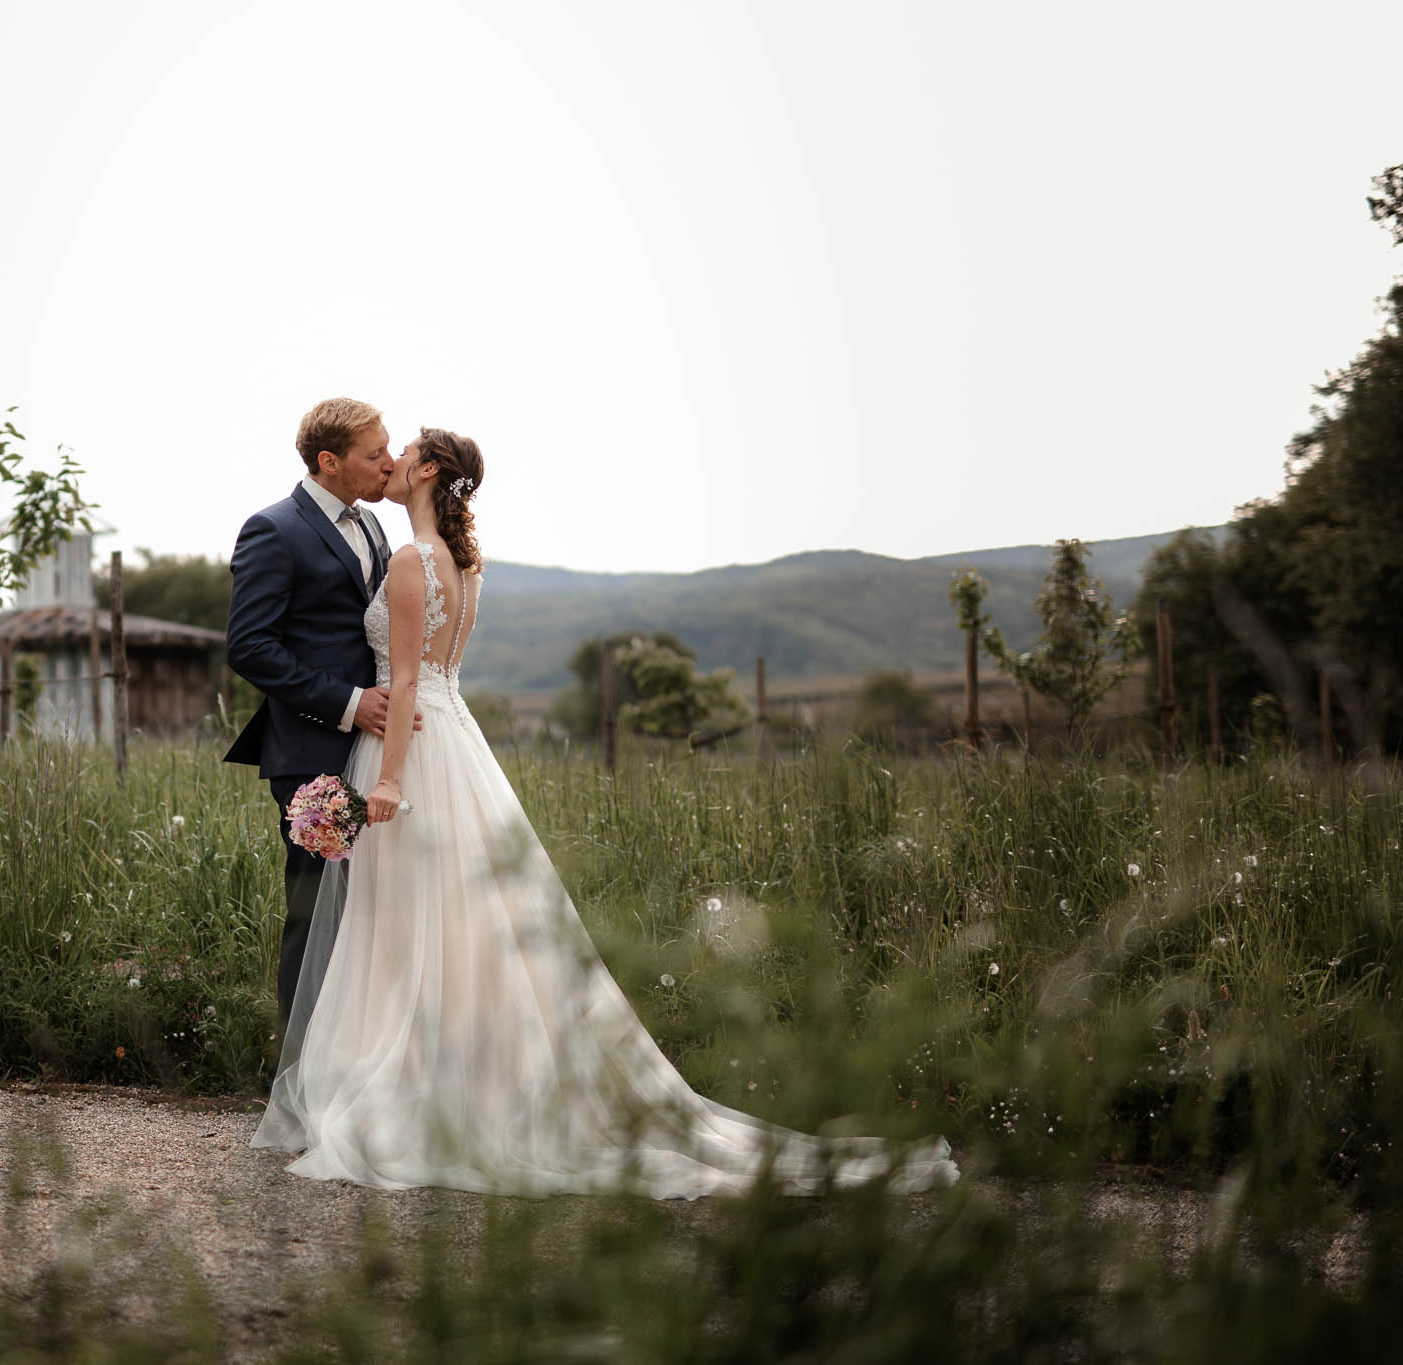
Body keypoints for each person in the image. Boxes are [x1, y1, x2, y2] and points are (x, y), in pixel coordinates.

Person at [251, 428, 959, 1198]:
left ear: (425, 470)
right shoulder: (461, 563)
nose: (389, 463)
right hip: (458, 748)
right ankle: (440, 1076)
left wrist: (386, 784)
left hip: (413, 752)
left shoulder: (415, 560)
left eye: (402, 451)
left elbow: (412, 683)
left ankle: (422, 1091)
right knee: (446, 921)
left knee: (408, 920)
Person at [225, 397, 409, 1030]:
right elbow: (249, 647)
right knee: (315, 919)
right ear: (330, 462)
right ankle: (295, 1084)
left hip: (374, 752)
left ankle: (358, 1074)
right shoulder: (273, 529)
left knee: (372, 919)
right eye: (375, 452)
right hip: (311, 755)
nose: (390, 461)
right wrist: (349, 704)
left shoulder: (375, 526)